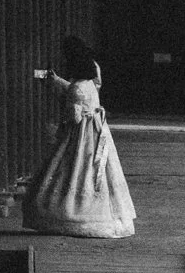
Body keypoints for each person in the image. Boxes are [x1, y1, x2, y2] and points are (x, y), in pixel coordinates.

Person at [24, 34, 136, 238]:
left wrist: (58, 129)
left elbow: (74, 117)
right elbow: (80, 93)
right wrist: (57, 81)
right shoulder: (91, 81)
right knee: (95, 172)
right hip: (97, 130)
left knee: (72, 169)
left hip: (80, 135)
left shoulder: (76, 87)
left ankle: (70, 214)